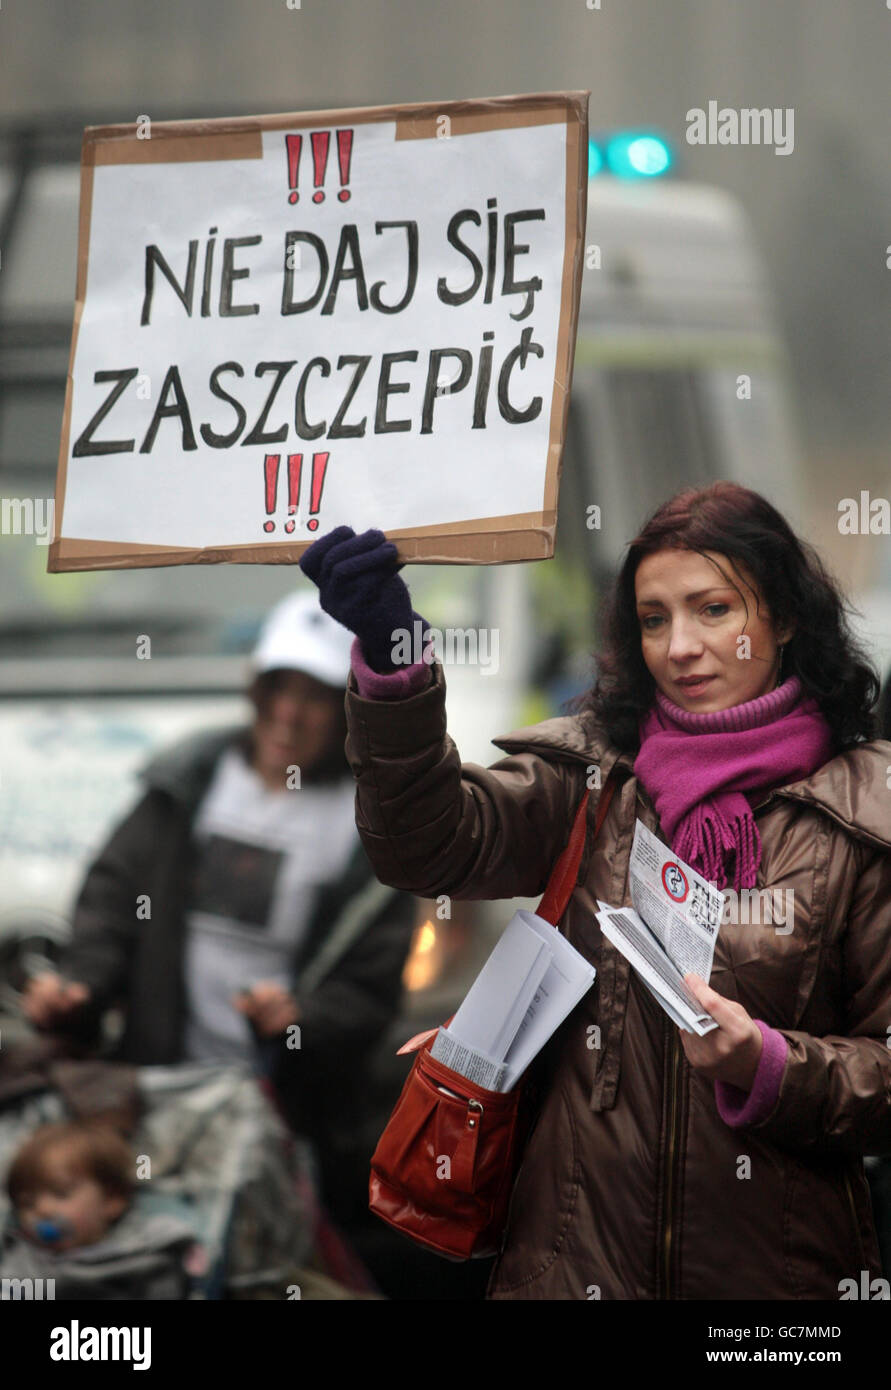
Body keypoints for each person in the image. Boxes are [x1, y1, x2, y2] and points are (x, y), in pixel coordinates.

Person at [298, 481, 891, 1300]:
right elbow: (427, 848)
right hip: (570, 1273)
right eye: (654, 619)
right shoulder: (591, 780)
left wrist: (767, 1065)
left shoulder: (860, 815)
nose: (680, 645)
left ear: (782, 619)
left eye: (712, 609)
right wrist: (395, 663)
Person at [21, 593, 418, 1225]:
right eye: (277, 688)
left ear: (346, 707)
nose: (290, 713)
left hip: (282, 1115)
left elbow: (371, 990)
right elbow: (112, 901)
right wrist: (81, 985)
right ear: (255, 690)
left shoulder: (368, 829)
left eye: (313, 694)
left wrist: (299, 1018)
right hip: (156, 1091)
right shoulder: (188, 781)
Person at [0, 1119, 201, 1299]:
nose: (41, 1210)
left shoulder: (145, 1256)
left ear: (111, 1200)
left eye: (61, 1194)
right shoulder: (25, 1263)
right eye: (27, 1203)